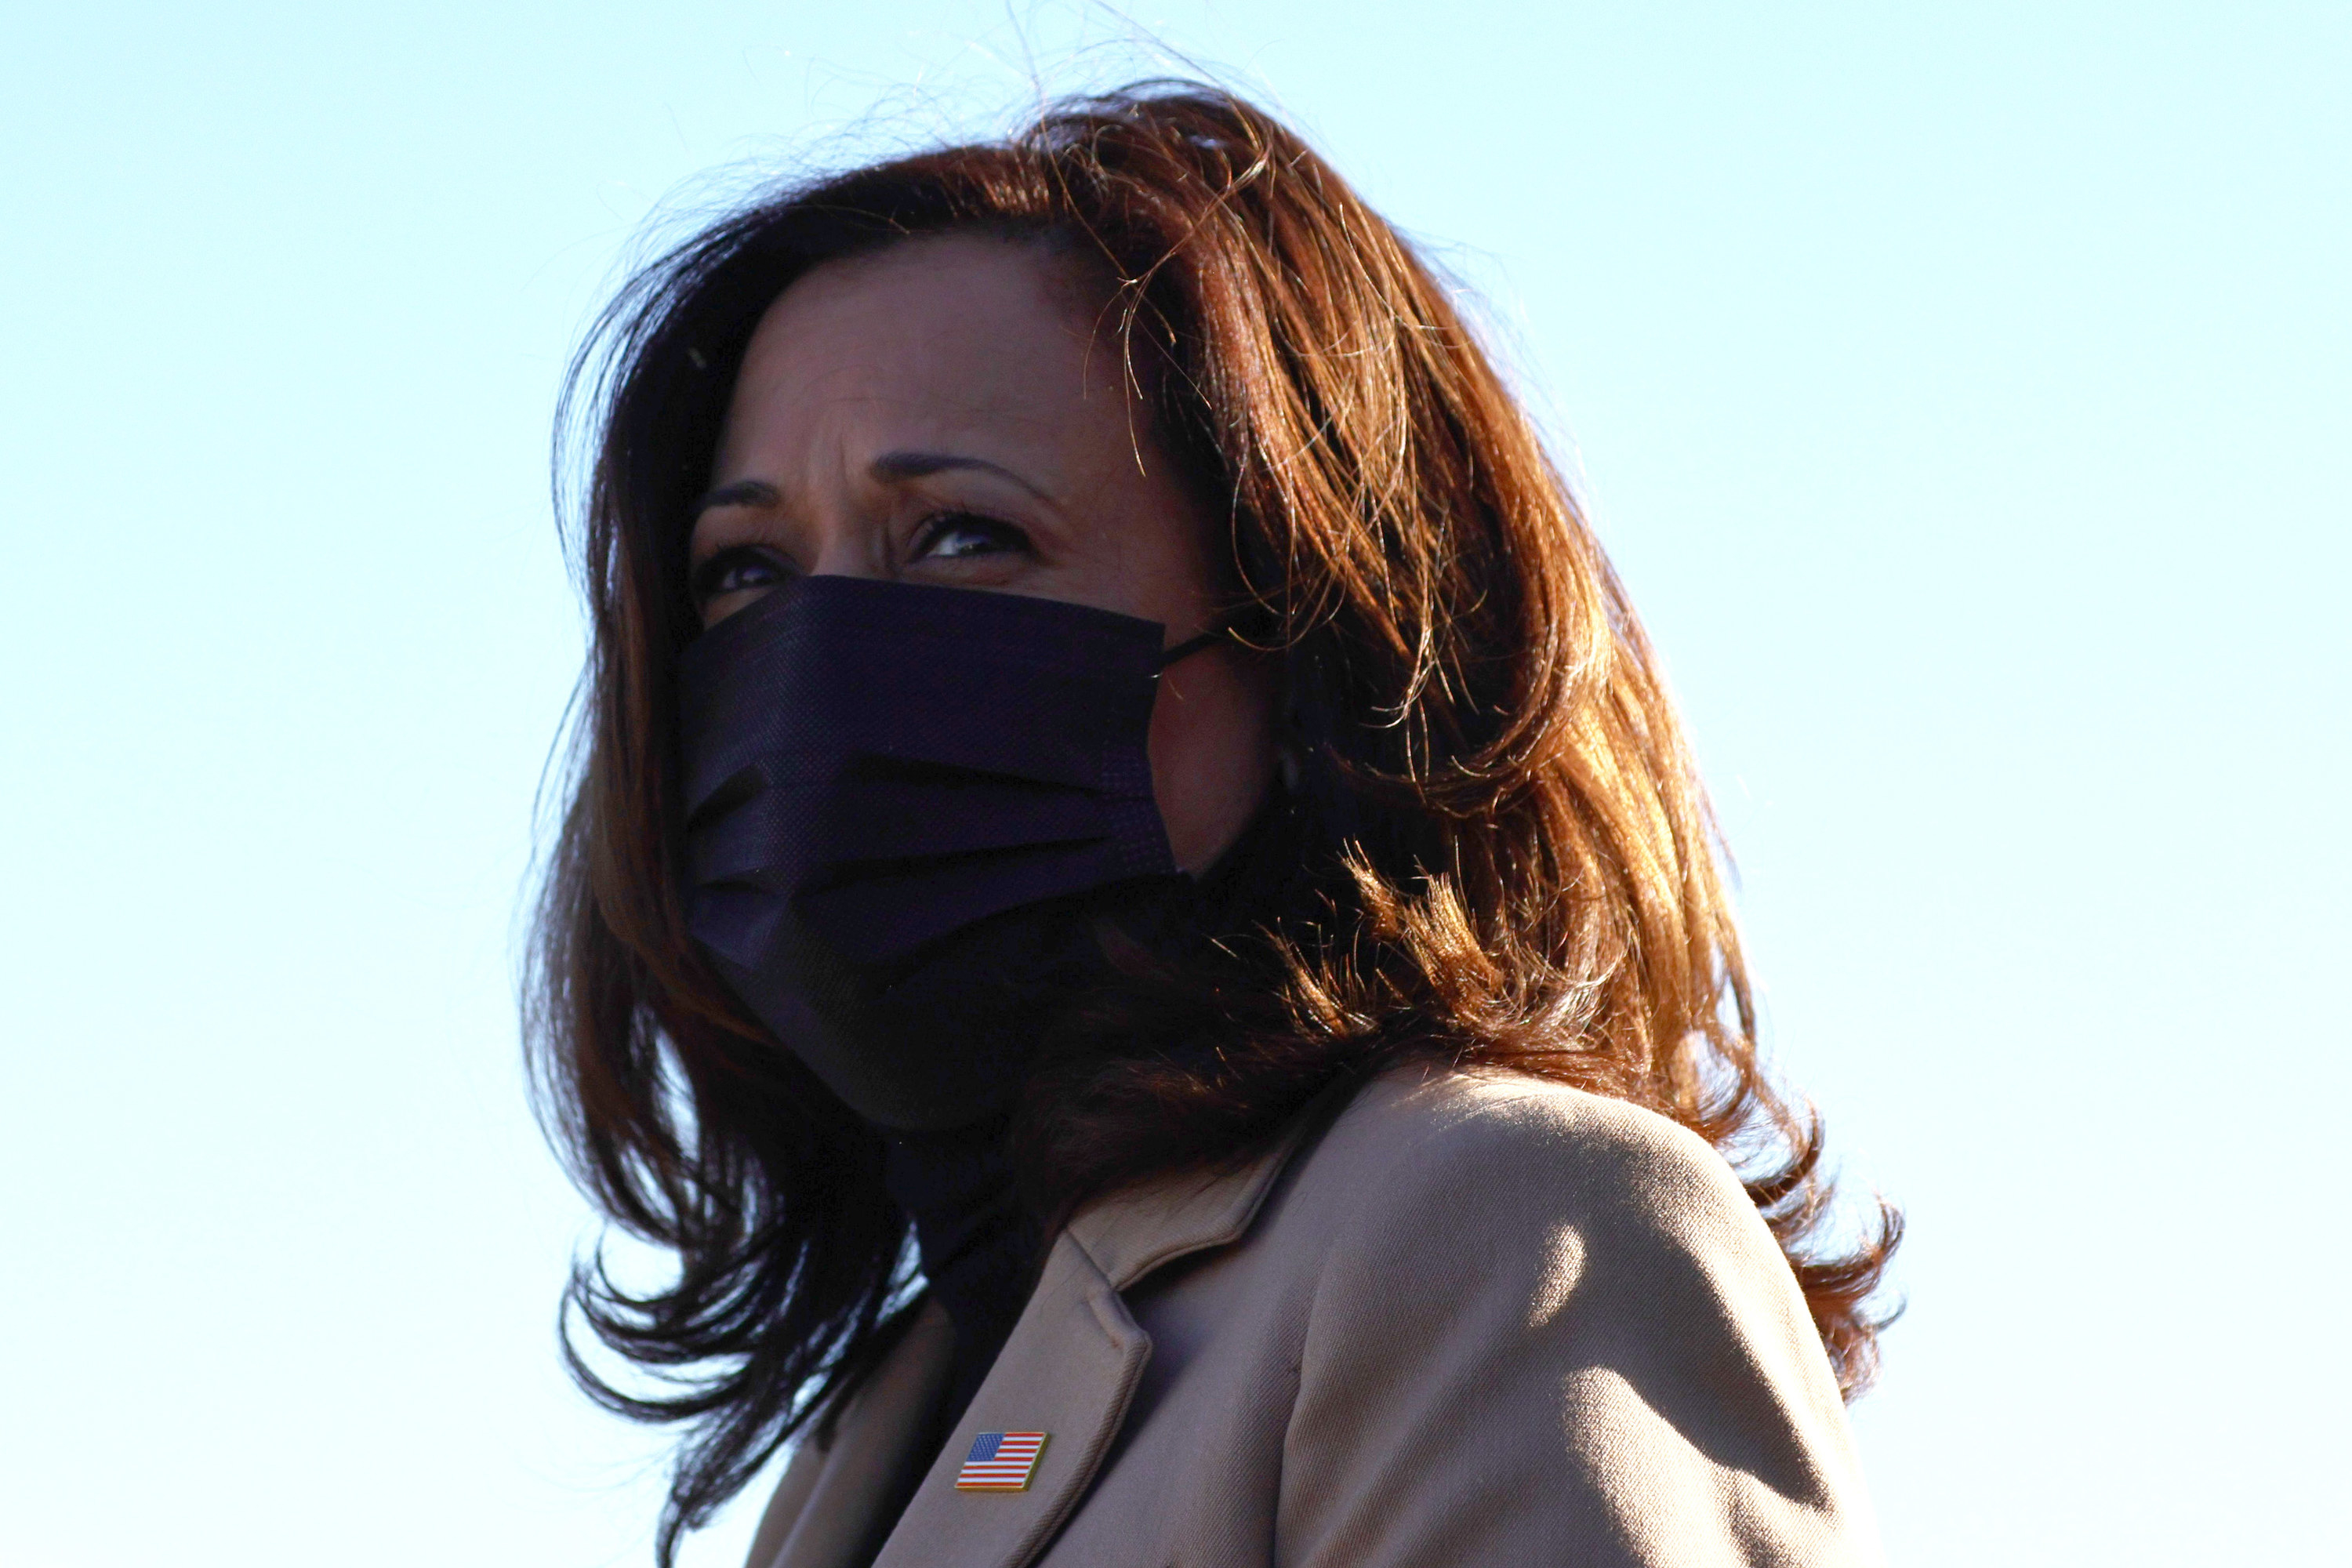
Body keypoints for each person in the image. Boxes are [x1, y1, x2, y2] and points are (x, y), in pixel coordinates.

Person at [528, 82, 1900, 1568]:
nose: (818, 664)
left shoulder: (1504, 1222)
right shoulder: (894, 1415)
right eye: (746, 569)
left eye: (963, 537)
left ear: (1319, 646)